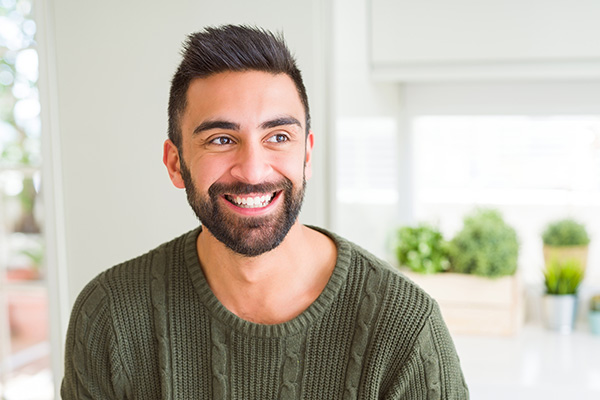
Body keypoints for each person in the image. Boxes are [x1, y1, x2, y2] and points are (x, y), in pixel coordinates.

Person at [61, 25, 469, 399]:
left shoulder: (404, 328)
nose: (254, 170)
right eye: (221, 139)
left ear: (307, 155)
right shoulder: (109, 315)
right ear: (174, 163)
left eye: (278, 136)